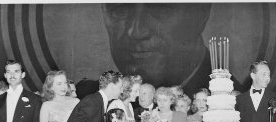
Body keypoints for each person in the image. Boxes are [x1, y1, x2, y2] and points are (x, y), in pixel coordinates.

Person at [101, 3, 243, 98]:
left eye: (159, 8)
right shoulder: (96, 101)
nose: (136, 31)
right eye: (120, 10)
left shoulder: (232, 103)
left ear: (200, 13)